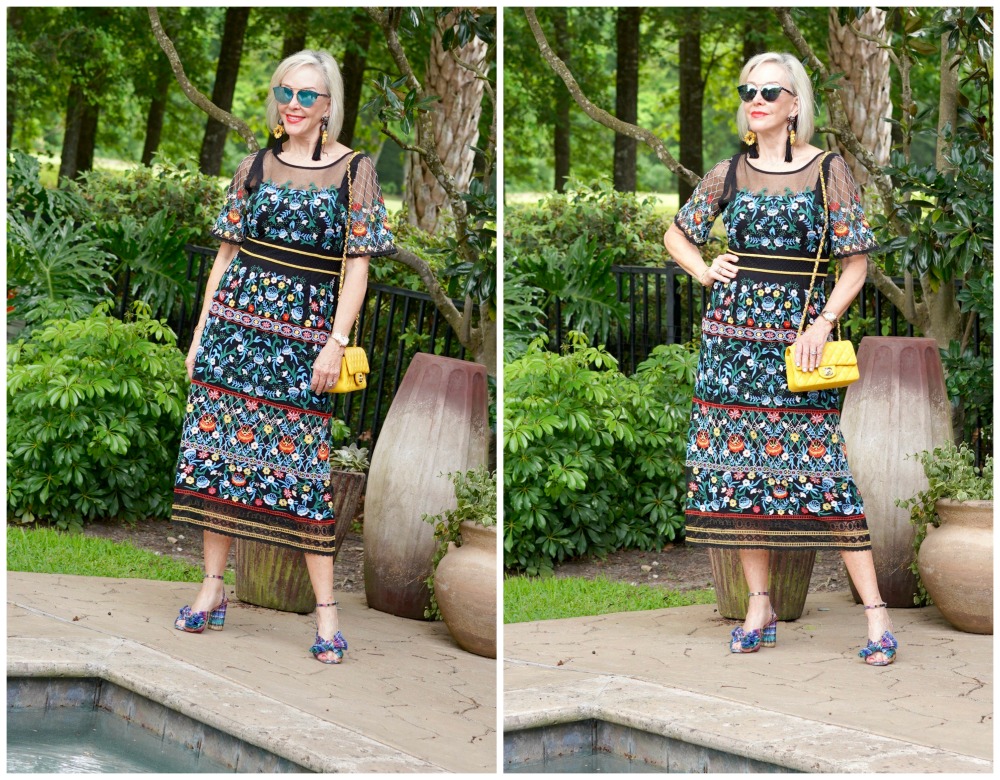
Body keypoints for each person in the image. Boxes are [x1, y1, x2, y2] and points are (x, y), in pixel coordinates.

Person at [663, 52, 897, 666]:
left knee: (827, 477)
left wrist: (822, 323)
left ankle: (876, 618)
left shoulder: (829, 170)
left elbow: (856, 264)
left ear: (795, 105)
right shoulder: (729, 172)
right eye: (749, 90)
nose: (756, 98)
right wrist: (704, 267)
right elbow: (676, 231)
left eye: (771, 90)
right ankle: (759, 606)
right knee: (740, 478)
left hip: (800, 345)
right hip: (730, 344)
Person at [171, 50, 395, 664]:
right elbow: (225, 258)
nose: (291, 105)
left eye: (306, 96)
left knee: (303, 477)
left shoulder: (356, 171)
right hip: (233, 334)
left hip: (304, 343)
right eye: (284, 92)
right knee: (221, 461)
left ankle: (326, 615)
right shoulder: (253, 166)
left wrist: (336, 341)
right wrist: (198, 336)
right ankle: (213, 589)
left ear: (329, 106)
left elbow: (357, 269)